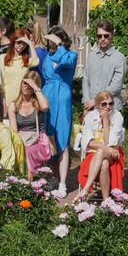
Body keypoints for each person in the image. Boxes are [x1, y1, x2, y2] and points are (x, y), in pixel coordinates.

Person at [41, 26, 78, 194]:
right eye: (50, 39)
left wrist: (60, 46)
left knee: (62, 138)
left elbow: (66, 62)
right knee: (49, 137)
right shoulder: (47, 57)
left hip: (62, 97)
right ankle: (53, 179)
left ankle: (63, 183)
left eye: (54, 39)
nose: (51, 42)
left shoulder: (70, 55)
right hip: (48, 97)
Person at [77, 92, 125, 200]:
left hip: (114, 154)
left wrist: (106, 120)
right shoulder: (90, 117)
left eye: (111, 103)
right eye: (104, 104)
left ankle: (86, 189)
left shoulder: (117, 116)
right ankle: (106, 200)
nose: (108, 107)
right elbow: (88, 142)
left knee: (101, 152)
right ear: (97, 105)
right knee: (104, 163)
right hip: (94, 155)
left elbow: (110, 143)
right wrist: (105, 148)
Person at [8, 72, 54, 176]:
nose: (26, 86)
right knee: (19, 152)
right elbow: (14, 131)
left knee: (27, 153)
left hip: (39, 142)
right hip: (22, 141)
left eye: (30, 84)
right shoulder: (14, 105)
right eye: (24, 83)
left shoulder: (38, 103)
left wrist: (35, 87)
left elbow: (45, 107)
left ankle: (28, 185)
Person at [82, 20, 127, 112]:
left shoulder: (119, 58)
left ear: (112, 35)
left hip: (110, 108)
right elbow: (85, 80)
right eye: (99, 36)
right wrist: (87, 102)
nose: (102, 39)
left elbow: (116, 86)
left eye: (106, 36)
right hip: (91, 107)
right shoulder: (91, 56)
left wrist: (96, 101)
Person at [0, 31, 40, 118]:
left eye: (24, 43)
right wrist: (4, 103)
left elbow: (36, 62)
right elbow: (1, 84)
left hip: (22, 101)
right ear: (13, 42)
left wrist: (30, 43)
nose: (21, 45)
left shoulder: (26, 60)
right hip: (7, 99)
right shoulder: (3, 58)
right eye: (19, 42)